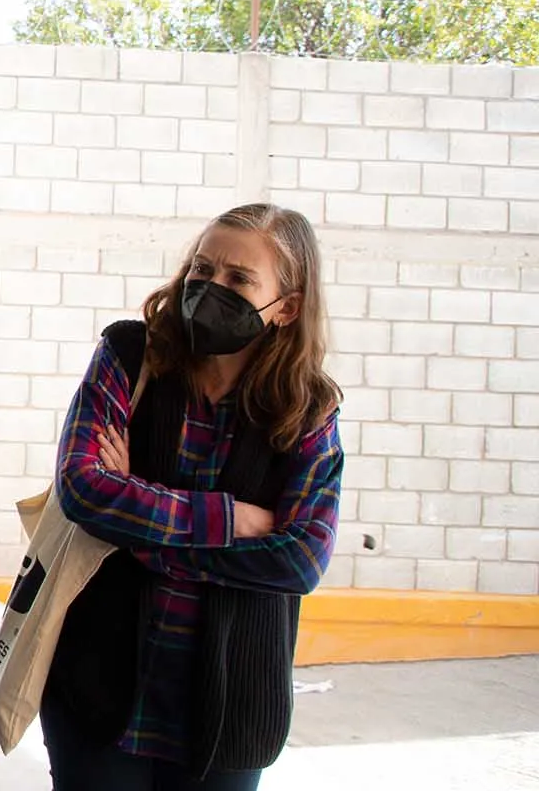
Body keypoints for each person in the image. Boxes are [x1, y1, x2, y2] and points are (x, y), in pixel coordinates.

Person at [44, 203, 344, 790]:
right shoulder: (130, 355)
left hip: (230, 706)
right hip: (99, 690)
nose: (211, 287)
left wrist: (140, 530)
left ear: (287, 306)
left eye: (239, 279)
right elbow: (83, 489)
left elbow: (301, 559)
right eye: (203, 269)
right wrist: (232, 519)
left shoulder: (308, 407)